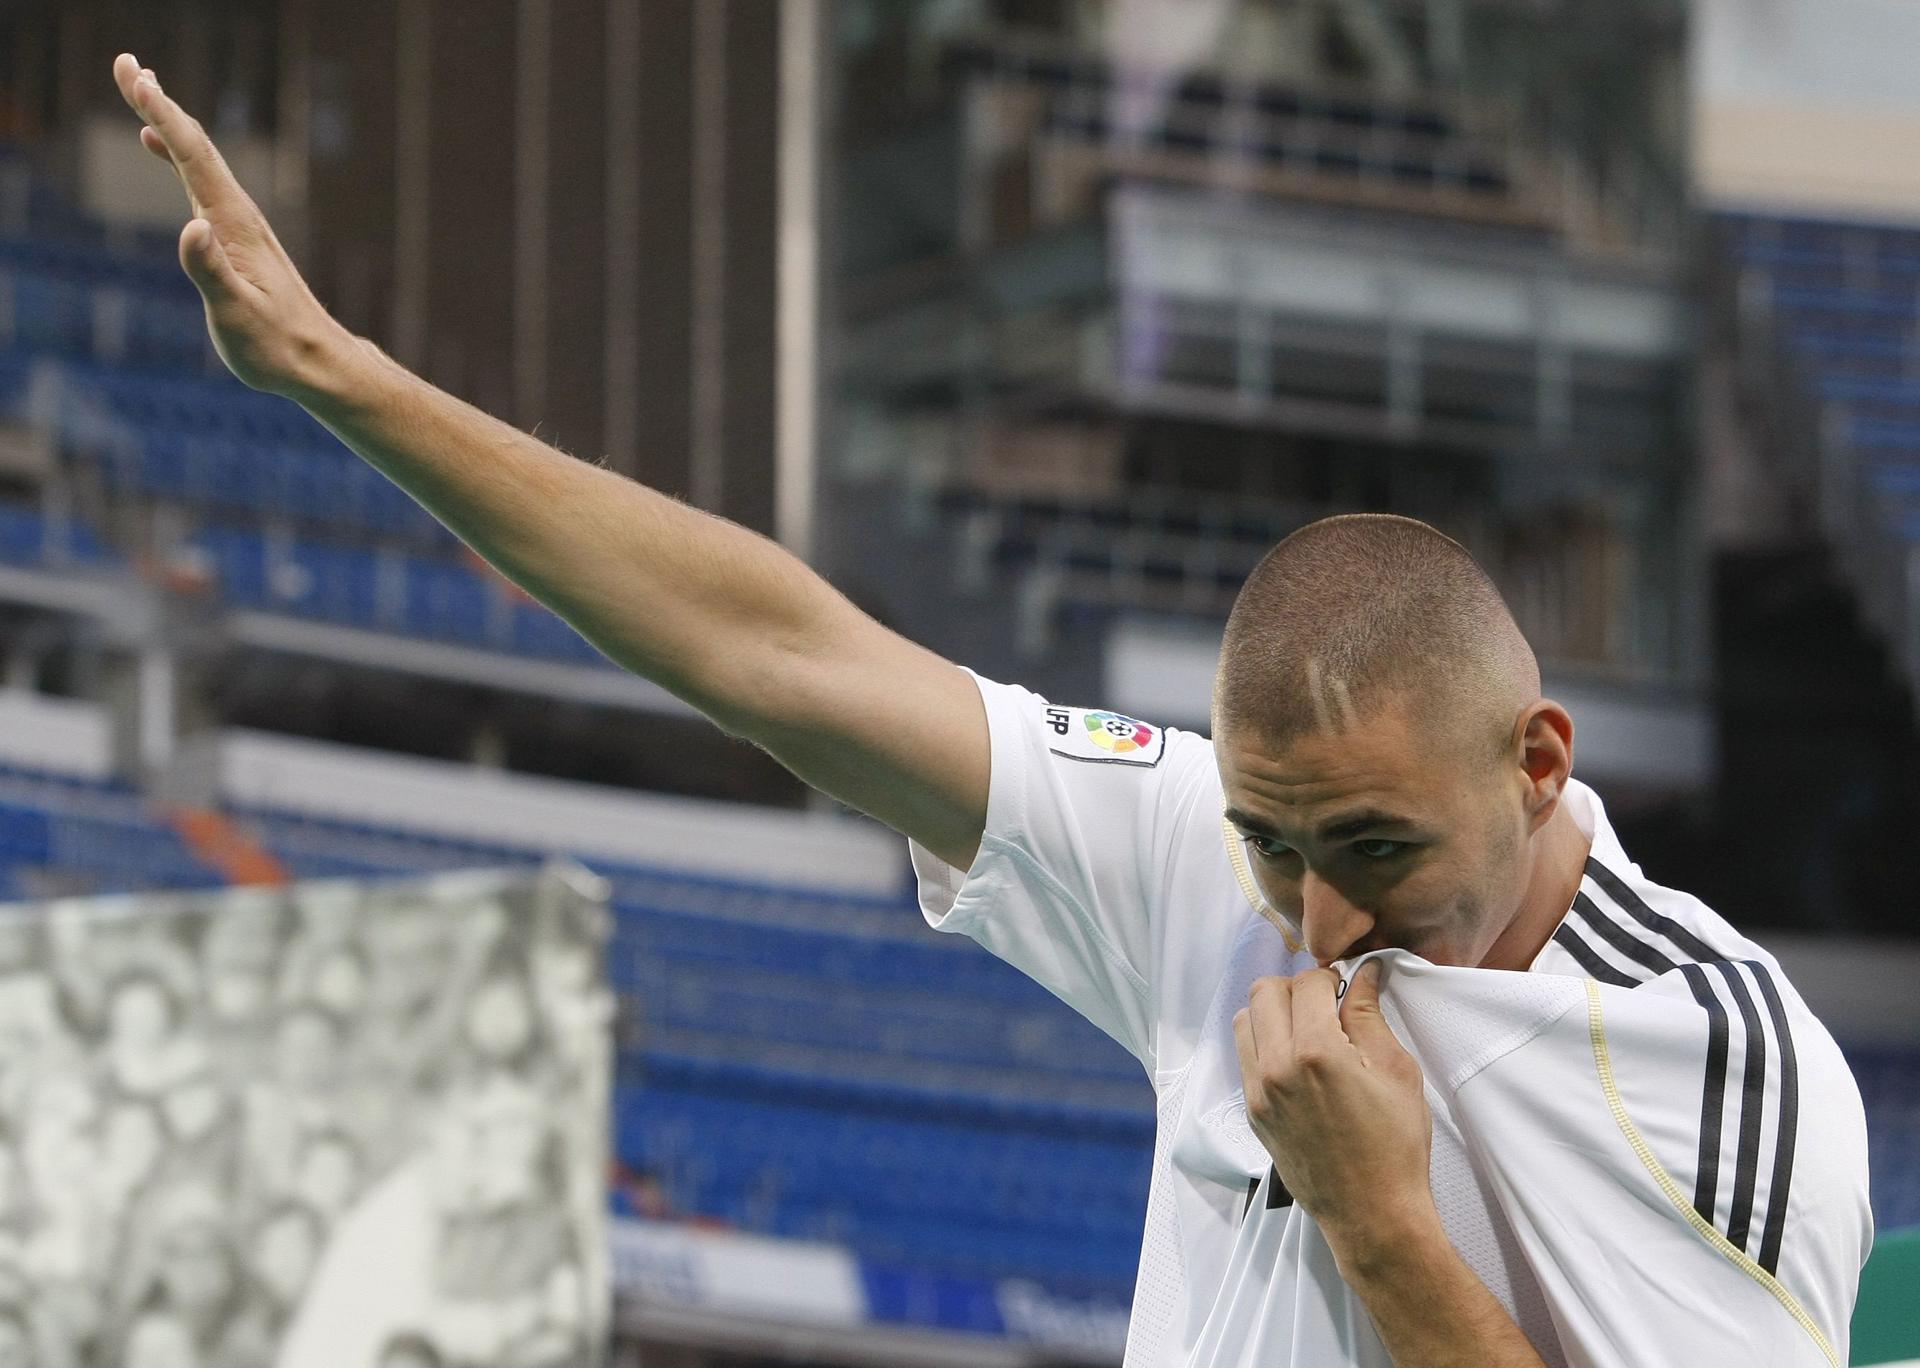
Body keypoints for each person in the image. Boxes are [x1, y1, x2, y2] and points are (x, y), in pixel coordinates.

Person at [109, 54, 1873, 1366]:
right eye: (1276, 847)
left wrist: (1382, 1225)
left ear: (1537, 758)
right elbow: (780, 651)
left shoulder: (1719, 1054)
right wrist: (339, 377)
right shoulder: (1204, 858)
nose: (1321, 920)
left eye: (1378, 850)